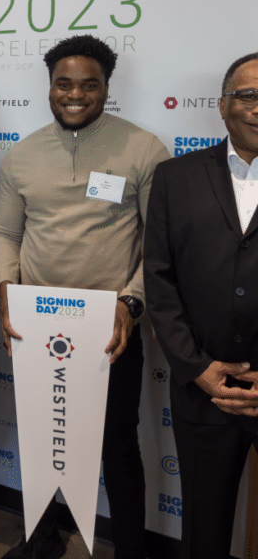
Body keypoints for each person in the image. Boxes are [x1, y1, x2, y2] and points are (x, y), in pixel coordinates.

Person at [0, 35, 170, 559]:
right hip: (37, 328)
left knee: (117, 447)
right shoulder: (22, 155)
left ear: (107, 89)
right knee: (45, 439)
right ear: (49, 87)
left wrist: (131, 303)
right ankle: (43, 538)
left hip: (113, 328)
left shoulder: (142, 149)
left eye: (89, 85)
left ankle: (130, 549)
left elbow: (158, 247)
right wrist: (7, 289)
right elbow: (5, 235)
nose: (75, 94)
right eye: (64, 83)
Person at [144, 51, 258, 559]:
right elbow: (160, 282)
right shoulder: (174, 177)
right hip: (202, 389)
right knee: (205, 534)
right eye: (248, 95)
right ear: (222, 105)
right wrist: (197, 367)